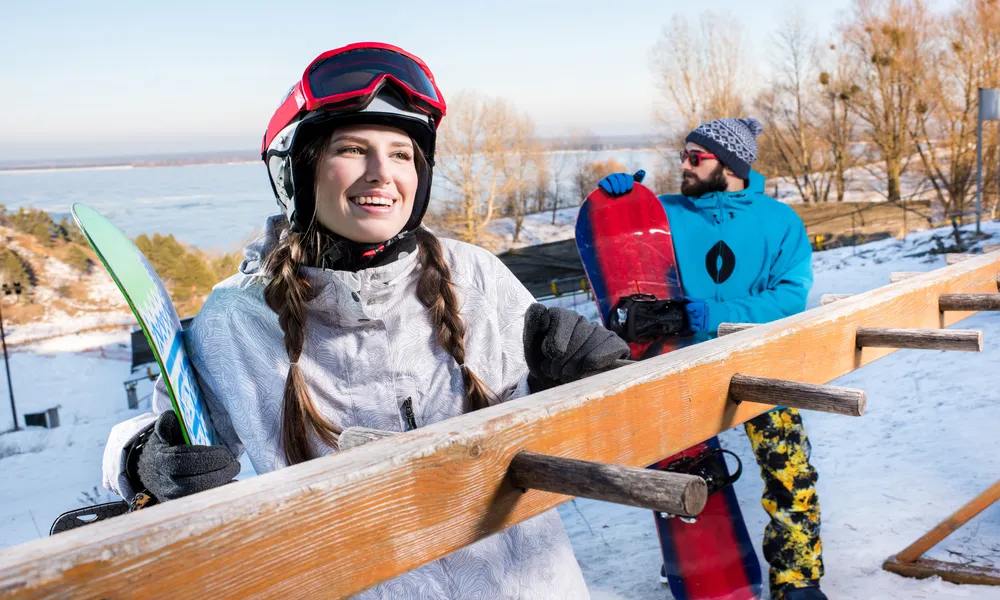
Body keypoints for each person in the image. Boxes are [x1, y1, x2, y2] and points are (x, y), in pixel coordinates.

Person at [100, 42, 628, 599]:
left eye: (402, 155)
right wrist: (146, 463)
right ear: (298, 171)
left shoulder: (475, 276)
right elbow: (170, 428)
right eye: (353, 149)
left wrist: (587, 378)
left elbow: (575, 437)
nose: (382, 174)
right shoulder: (237, 320)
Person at [598, 117, 825, 600]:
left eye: (694, 157)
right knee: (685, 475)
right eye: (683, 155)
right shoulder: (666, 212)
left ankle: (798, 580)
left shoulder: (779, 221)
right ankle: (697, 561)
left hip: (763, 364)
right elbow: (624, 255)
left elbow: (788, 301)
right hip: (685, 366)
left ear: (731, 166)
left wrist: (709, 313)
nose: (683, 164)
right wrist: (616, 207)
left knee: (790, 472)